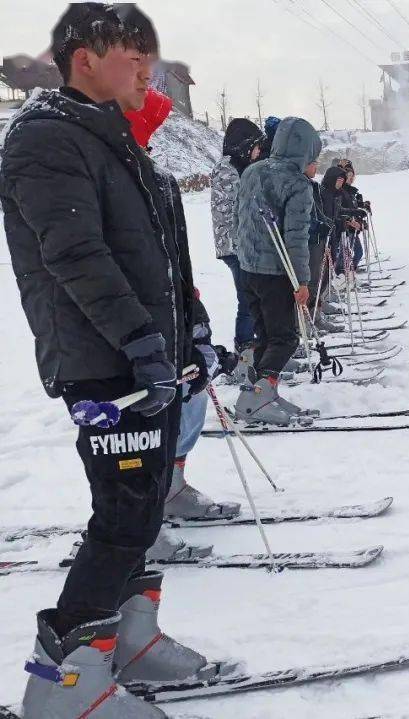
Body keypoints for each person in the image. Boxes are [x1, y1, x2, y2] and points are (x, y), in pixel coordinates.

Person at [0, 5, 216, 716]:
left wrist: (193, 333)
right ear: (83, 56)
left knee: (145, 505)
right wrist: (140, 342)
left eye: (148, 57)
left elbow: (161, 260)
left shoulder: (117, 140)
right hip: (103, 361)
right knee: (123, 514)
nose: (143, 68)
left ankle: (130, 638)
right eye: (130, 55)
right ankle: (62, 683)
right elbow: (76, 256)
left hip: (144, 356)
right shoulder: (47, 140)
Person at [127, 90, 242, 522]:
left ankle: (171, 488)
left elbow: (171, 258)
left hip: (171, 308)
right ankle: (140, 512)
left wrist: (192, 311)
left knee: (189, 392)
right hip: (133, 321)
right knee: (147, 417)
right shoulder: (117, 180)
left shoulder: (152, 177)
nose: (152, 146)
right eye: (147, 135)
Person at [233, 116, 323, 425]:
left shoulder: (251, 171)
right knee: (284, 339)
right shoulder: (298, 184)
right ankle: (259, 397)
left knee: (266, 336)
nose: (314, 165)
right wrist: (302, 281)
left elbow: (238, 218)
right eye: (313, 158)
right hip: (275, 272)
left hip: (248, 269)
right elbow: (296, 237)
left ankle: (258, 395)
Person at [211, 118, 265, 364]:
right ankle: (244, 346)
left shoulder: (240, 167)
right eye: (254, 146)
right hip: (234, 244)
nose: (257, 152)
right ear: (242, 145)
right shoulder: (226, 170)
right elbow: (236, 208)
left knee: (252, 295)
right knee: (246, 297)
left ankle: (254, 343)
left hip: (245, 243)